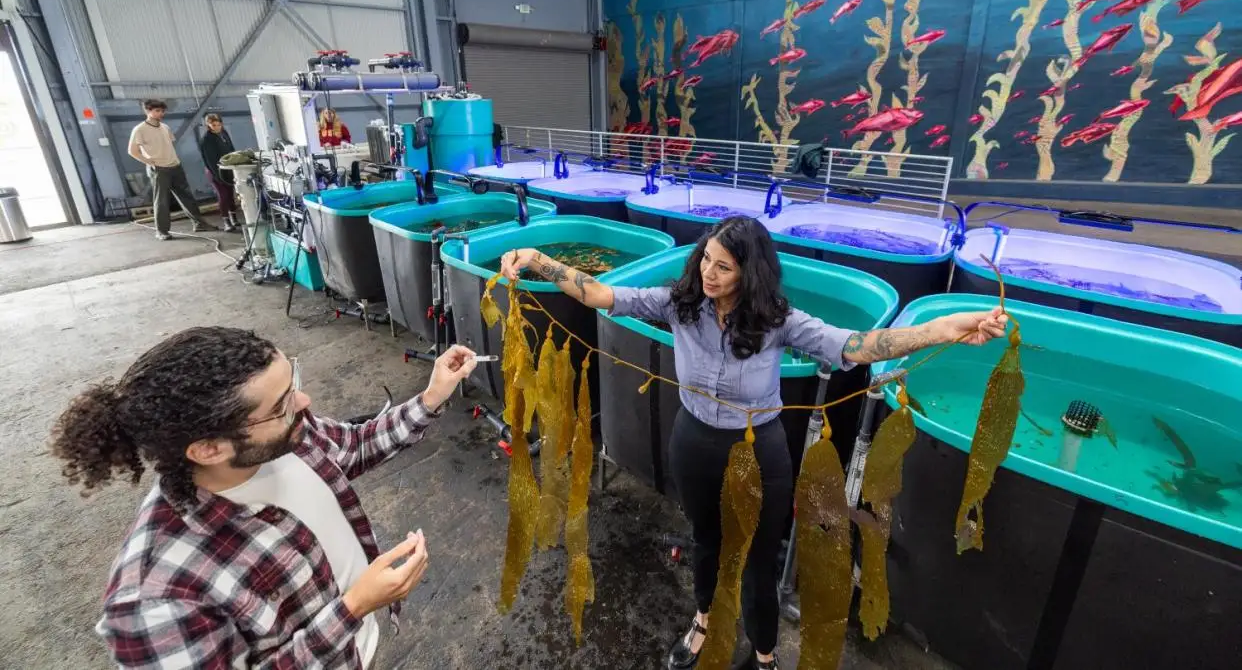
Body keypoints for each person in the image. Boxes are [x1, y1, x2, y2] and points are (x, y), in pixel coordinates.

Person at [500, 216, 1007, 670]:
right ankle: (703, 620)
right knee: (706, 541)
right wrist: (538, 259)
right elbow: (599, 294)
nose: (708, 274)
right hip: (694, 443)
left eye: (723, 267)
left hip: (760, 454)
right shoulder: (679, 306)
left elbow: (855, 345)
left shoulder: (778, 322)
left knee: (760, 561)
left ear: (750, 273)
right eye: (706, 261)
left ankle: (764, 653)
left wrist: (942, 328)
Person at [50, 326, 478, 669]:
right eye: (281, 405)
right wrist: (353, 608)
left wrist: (432, 395)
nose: (305, 403)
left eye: (294, 384)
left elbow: (356, 445)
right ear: (209, 449)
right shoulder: (157, 599)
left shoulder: (288, 434)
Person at [126, 99, 216, 240]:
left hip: (175, 166)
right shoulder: (140, 130)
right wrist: (148, 161)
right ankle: (161, 231)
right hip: (159, 169)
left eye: (162, 111)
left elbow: (168, 145)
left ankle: (199, 224)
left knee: (187, 197)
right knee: (161, 201)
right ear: (147, 111)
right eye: (157, 111)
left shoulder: (165, 127)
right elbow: (132, 151)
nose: (160, 113)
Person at [198, 113, 239, 232]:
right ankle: (226, 221)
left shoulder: (224, 134)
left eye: (218, 124)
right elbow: (210, 160)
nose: (216, 127)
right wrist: (217, 175)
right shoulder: (207, 140)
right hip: (215, 171)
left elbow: (231, 149)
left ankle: (234, 218)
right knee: (223, 195)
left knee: (231, 195)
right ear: (208, 125)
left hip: (228, 169)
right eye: (213, 125)